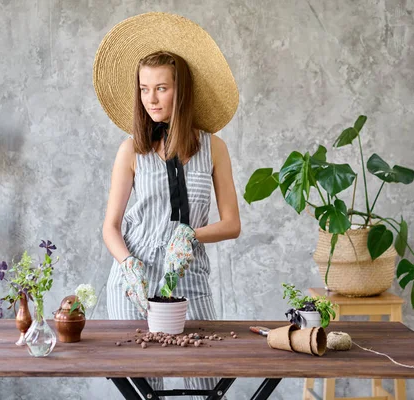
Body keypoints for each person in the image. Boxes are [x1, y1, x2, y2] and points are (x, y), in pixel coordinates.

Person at [94, 12, 241, 398]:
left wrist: (191, 234)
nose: (151, 99)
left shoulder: (214, 148)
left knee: (208, 384)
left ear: (181, 91)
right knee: (144, 389)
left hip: (191, 278)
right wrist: (127, 265)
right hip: (134, 284)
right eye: (144, 89)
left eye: (161, 88)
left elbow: (232, 224)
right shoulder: (131, 150)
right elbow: (110, 226)